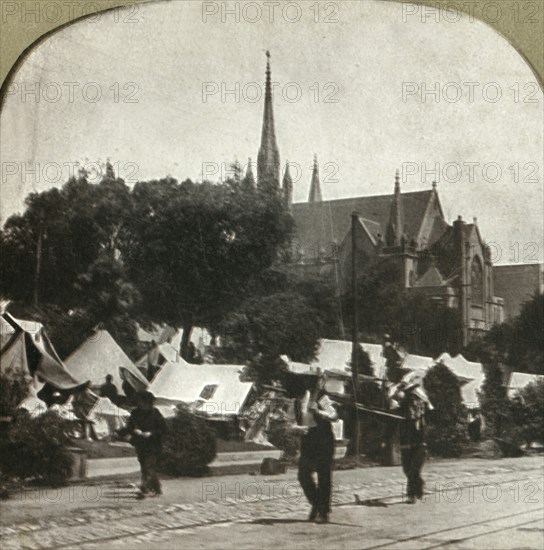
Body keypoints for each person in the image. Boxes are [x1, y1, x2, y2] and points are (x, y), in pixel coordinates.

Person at [292, 374, 338, 523]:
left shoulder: (321, 397)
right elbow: (294, 420)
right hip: (308, 440)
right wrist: (296, 429)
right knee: (303, 475)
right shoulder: (299, 400)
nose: (313, 384)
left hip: (323, 440)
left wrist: (319, 412)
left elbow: (334, 415)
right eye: (310, 380)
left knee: (323, 476)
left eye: (316, 381)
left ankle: (323, 512)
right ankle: (317, 504)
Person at [390, 371, 432, 504]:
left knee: (414, 467)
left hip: (420, 439)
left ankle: (411, 494)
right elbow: (394, 400)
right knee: (407, 468)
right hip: (406, 437)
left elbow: (430, 409)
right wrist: (399, 388)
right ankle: (419, 485)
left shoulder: (423, 401)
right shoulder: (404, 400)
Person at [119, 391, 166, 499]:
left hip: (153, 444)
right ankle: (157, 488)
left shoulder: (155, 413)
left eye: (143, 402)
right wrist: (125, 432)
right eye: (139, 402)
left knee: (149, 466)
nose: (141, 404)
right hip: (140, 444)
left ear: (148, 403)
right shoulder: (136, 413)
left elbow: (163, 429)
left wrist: (151, 433)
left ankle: (144, 489)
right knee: (145, 467)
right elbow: (129, 426)